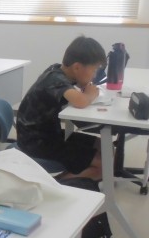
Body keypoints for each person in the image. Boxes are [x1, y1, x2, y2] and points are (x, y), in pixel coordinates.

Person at [16, 35, 107, 180]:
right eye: (94, 70)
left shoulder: (57, 70)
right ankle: (54, 186)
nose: (94, 75)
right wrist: (90, 94)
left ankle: (94, 178)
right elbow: (81, 101)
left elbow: (74, 94)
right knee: (103, 165)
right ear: (77, 67)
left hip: (47, 134)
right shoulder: (55, 79)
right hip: (36, 142)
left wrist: (84, 89)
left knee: (103, 146)